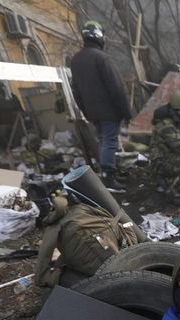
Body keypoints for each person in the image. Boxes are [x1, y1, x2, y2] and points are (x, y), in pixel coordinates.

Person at [71, 20, 132, 193]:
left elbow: (76, 90)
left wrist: (86, 111)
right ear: (99, 37)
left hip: (92, 112)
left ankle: (108, 173)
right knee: (110, 142)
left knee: (103, 141)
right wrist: (126, 112)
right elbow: (116, 87)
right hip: (109, 110)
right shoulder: (102, 58)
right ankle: (108, 178)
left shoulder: (76, 60)